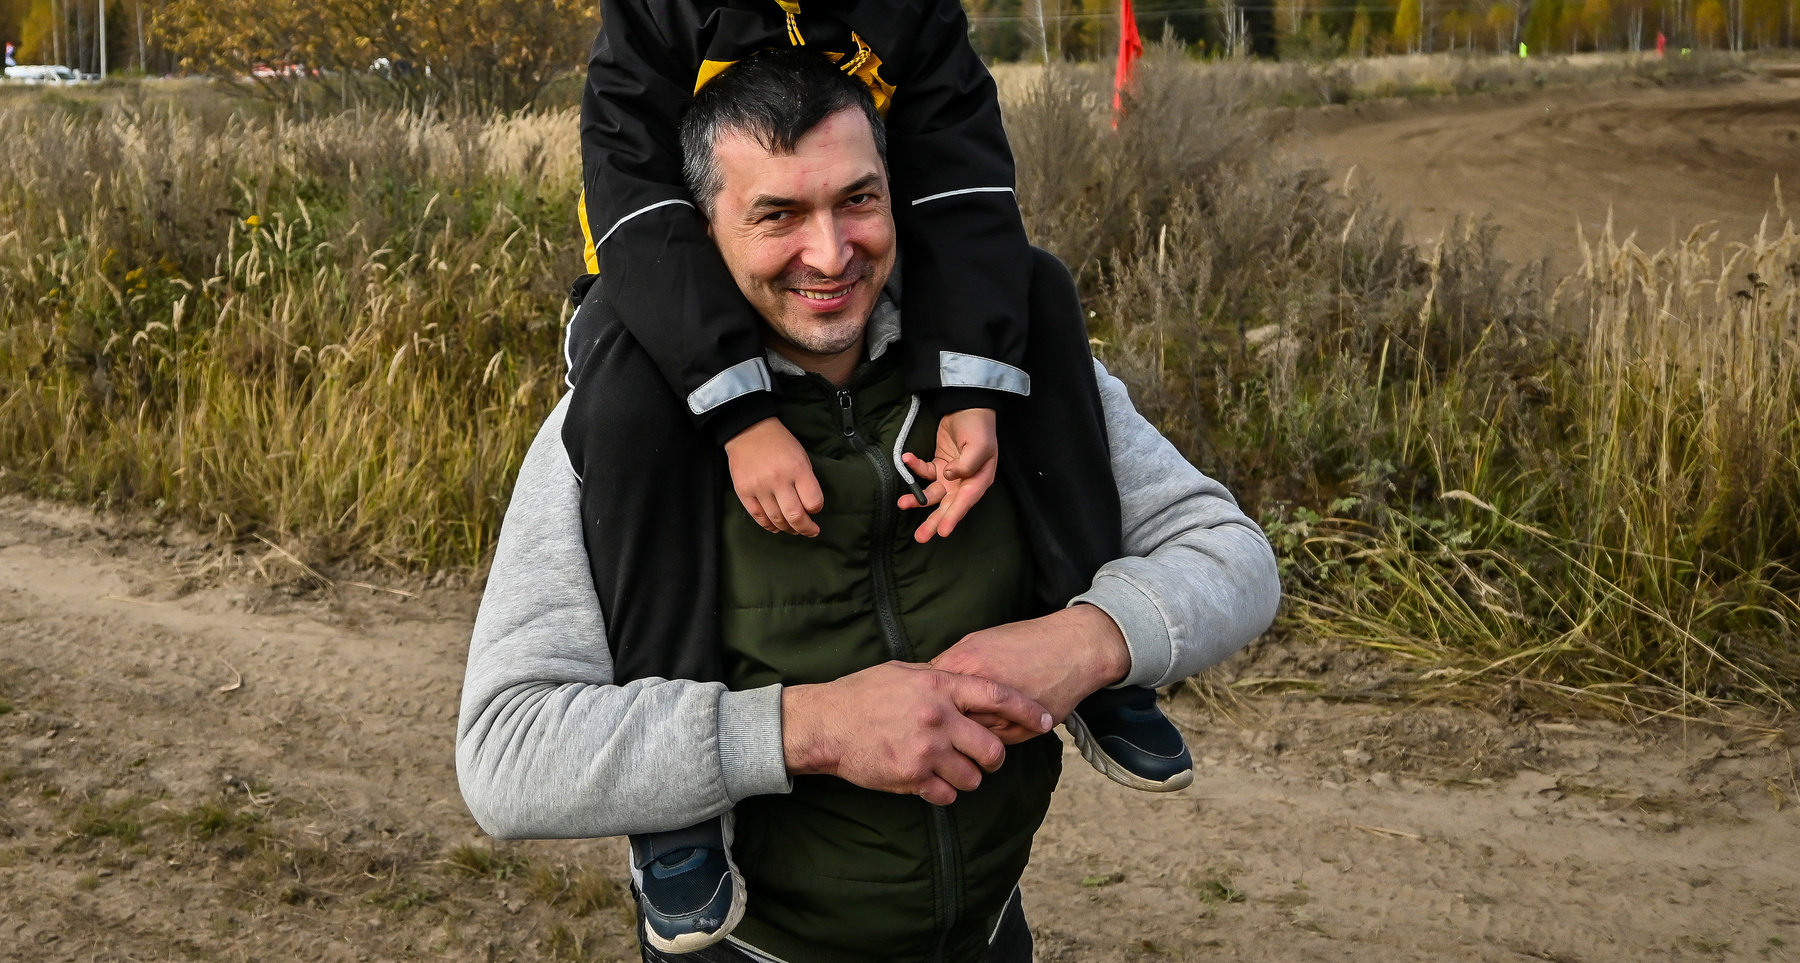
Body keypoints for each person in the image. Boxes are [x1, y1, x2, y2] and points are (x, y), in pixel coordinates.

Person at [571, 0, 1190, 950]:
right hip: (683, 303)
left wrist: (973, 385)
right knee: (626, 390)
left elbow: (961, 183)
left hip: (872, 279)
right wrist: (737, 409)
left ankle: (1097, 653)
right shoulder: (651, 6)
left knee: (1044, 291)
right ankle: (678, 807)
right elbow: (634, 210)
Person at [460, 52, 1280, 961]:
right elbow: (507, 752)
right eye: (777, 214)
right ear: (700, 232)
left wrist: (1084, 643)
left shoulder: (1003, 372)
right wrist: (811, 729)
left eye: (858, 199)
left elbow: (1231, 554)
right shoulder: (617, 426)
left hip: (987, 939)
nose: (832, 251)